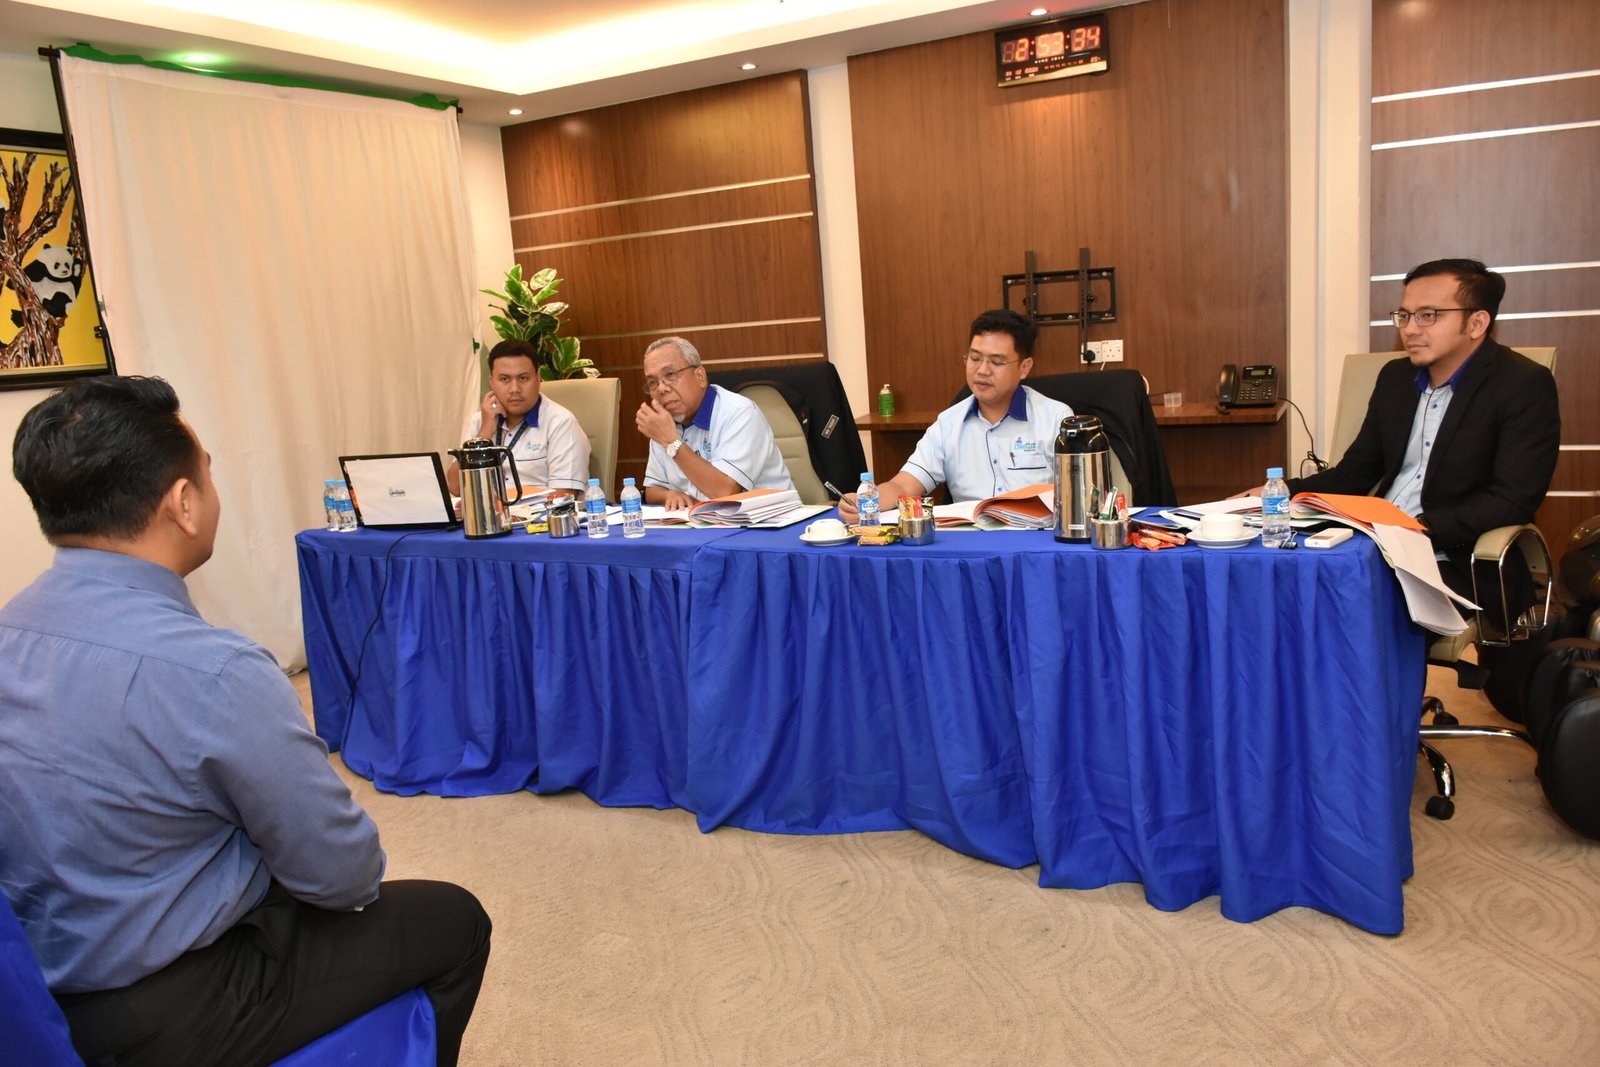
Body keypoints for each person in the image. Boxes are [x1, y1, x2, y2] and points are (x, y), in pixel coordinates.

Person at [0, 376, 491, 1067]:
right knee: (455, 920)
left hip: (37, 997)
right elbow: (344, 876)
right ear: (183, 503)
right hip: (184, 1006)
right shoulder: (215, 670)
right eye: (208, 472)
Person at [1256, 258, 1560, 602]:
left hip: (1453, 561)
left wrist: (1416, 528)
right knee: (1278, 588)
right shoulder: (1395, 378)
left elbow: (1510, 500)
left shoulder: (1522, 384)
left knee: (1337, 605)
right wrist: (1277, 493)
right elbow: (1354, 474)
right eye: (1404, 315)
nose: (1410, 329)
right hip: (1373, 547)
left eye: (1428, 315)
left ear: (1476, 323)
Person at [838, 309, 1072, 522]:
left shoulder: (1055, 419)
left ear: (1024, 367)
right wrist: (868, 499)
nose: (982, 370)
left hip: (1035, 542)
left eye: (996, 362)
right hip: (971, 544)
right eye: (975, 358)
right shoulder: (948, 424)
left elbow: (1075, 495)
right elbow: (903, 485)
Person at [635, 335, 793, 509]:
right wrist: (669, 495)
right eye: (653, 382)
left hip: (768, 520)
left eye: (670, 374)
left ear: (700, 376)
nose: (661, 388)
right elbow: (652, 489)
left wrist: (672, 442)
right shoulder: (663, 423)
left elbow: (725, 493)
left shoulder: (739, 413)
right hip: (701, 521)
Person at [447, 338, 591, 495]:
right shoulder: (480, 421)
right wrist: (484, 435)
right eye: (504, 379)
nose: (514, 389)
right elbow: (455, 488)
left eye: (523, 378)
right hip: (493, 510)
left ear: (538, 379)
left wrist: (501, 504)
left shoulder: (561, 422)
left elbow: (564, 495)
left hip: (541, 511)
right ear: (492, 382)